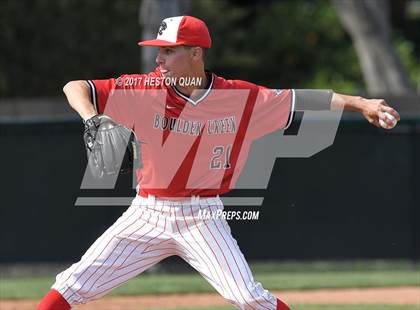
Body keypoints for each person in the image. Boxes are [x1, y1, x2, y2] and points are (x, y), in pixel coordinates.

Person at [36, 16, 400, 310]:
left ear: (196, 54)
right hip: (146, 213)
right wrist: (92, 118)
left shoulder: (240, 97)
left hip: (202, 216)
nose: (158, 59)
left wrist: (362, 103)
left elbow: (303, 99)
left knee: (248, 297)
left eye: (169, 51)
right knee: (72, 285)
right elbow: (75, 86)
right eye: (158, 51)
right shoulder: (142, 88)